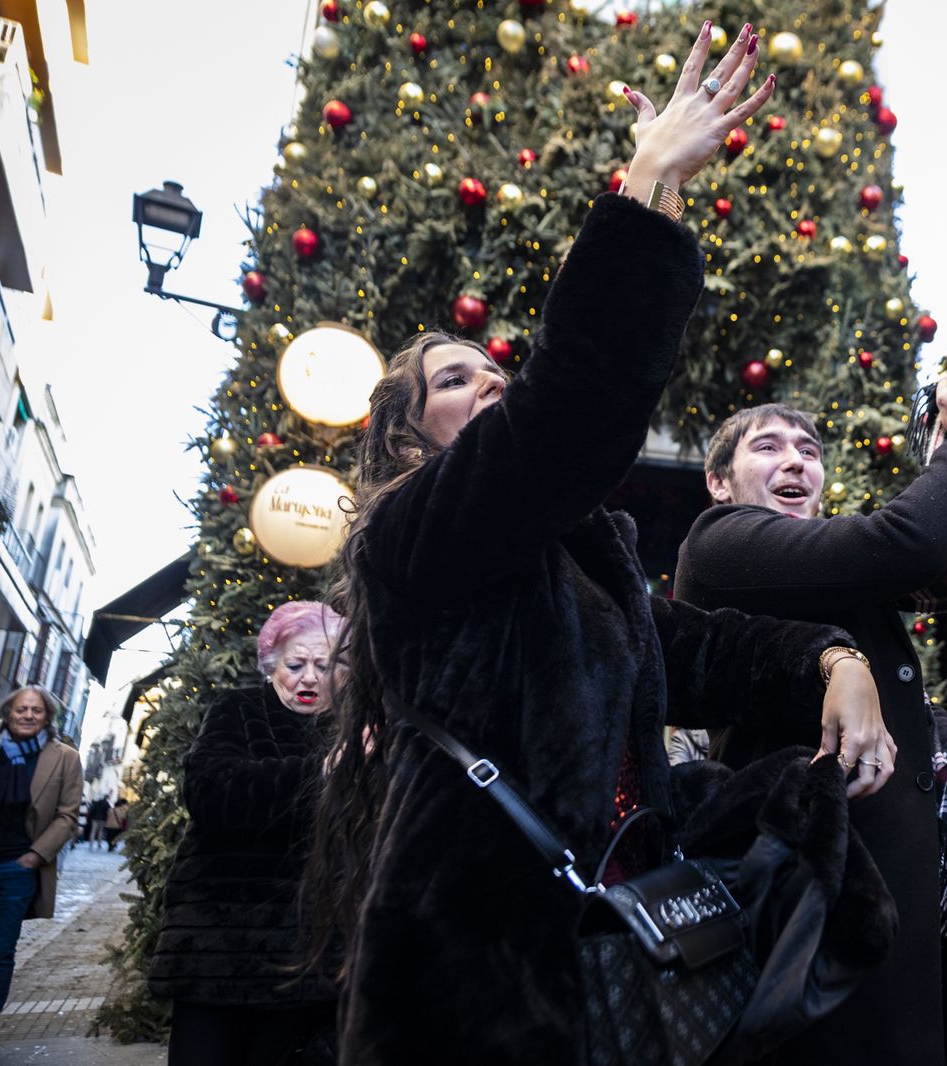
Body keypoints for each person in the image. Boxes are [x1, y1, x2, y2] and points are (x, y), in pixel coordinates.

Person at [310, 26, 893, 1064]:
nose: (490, 382)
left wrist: (834, 660)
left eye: (493, 370)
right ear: (405, 434)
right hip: (475, 976)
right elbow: (569, 405)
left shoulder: (579, 564)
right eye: (456, 380)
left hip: (619, 952)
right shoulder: (413, 533)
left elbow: (703, 644)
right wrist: (647, 183)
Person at [674, 347, 947, 1066]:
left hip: (918, 901)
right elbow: (908, 543)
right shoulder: (719, 545)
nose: (796, 461)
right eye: (767, 447)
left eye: (809, 449)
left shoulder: (827, 575)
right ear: (719, 483)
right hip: (820, 910)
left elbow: (914, 698)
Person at [149, 602, 344, 1065]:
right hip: (217, 946)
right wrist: (318, 773)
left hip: (308, 953)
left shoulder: (352, 728)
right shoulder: (238, 709)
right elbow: (210, 790)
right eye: (295, 665)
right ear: (272, 665)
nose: (310, 678)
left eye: (325, 665)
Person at [0, 685, 82, 1064]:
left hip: (14, 870)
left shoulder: (65, 758)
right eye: (20, 709)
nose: (28, 716)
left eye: (36, 711)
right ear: (7, 714)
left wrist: (34, 856)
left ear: (47, 717)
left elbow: (67, 816)